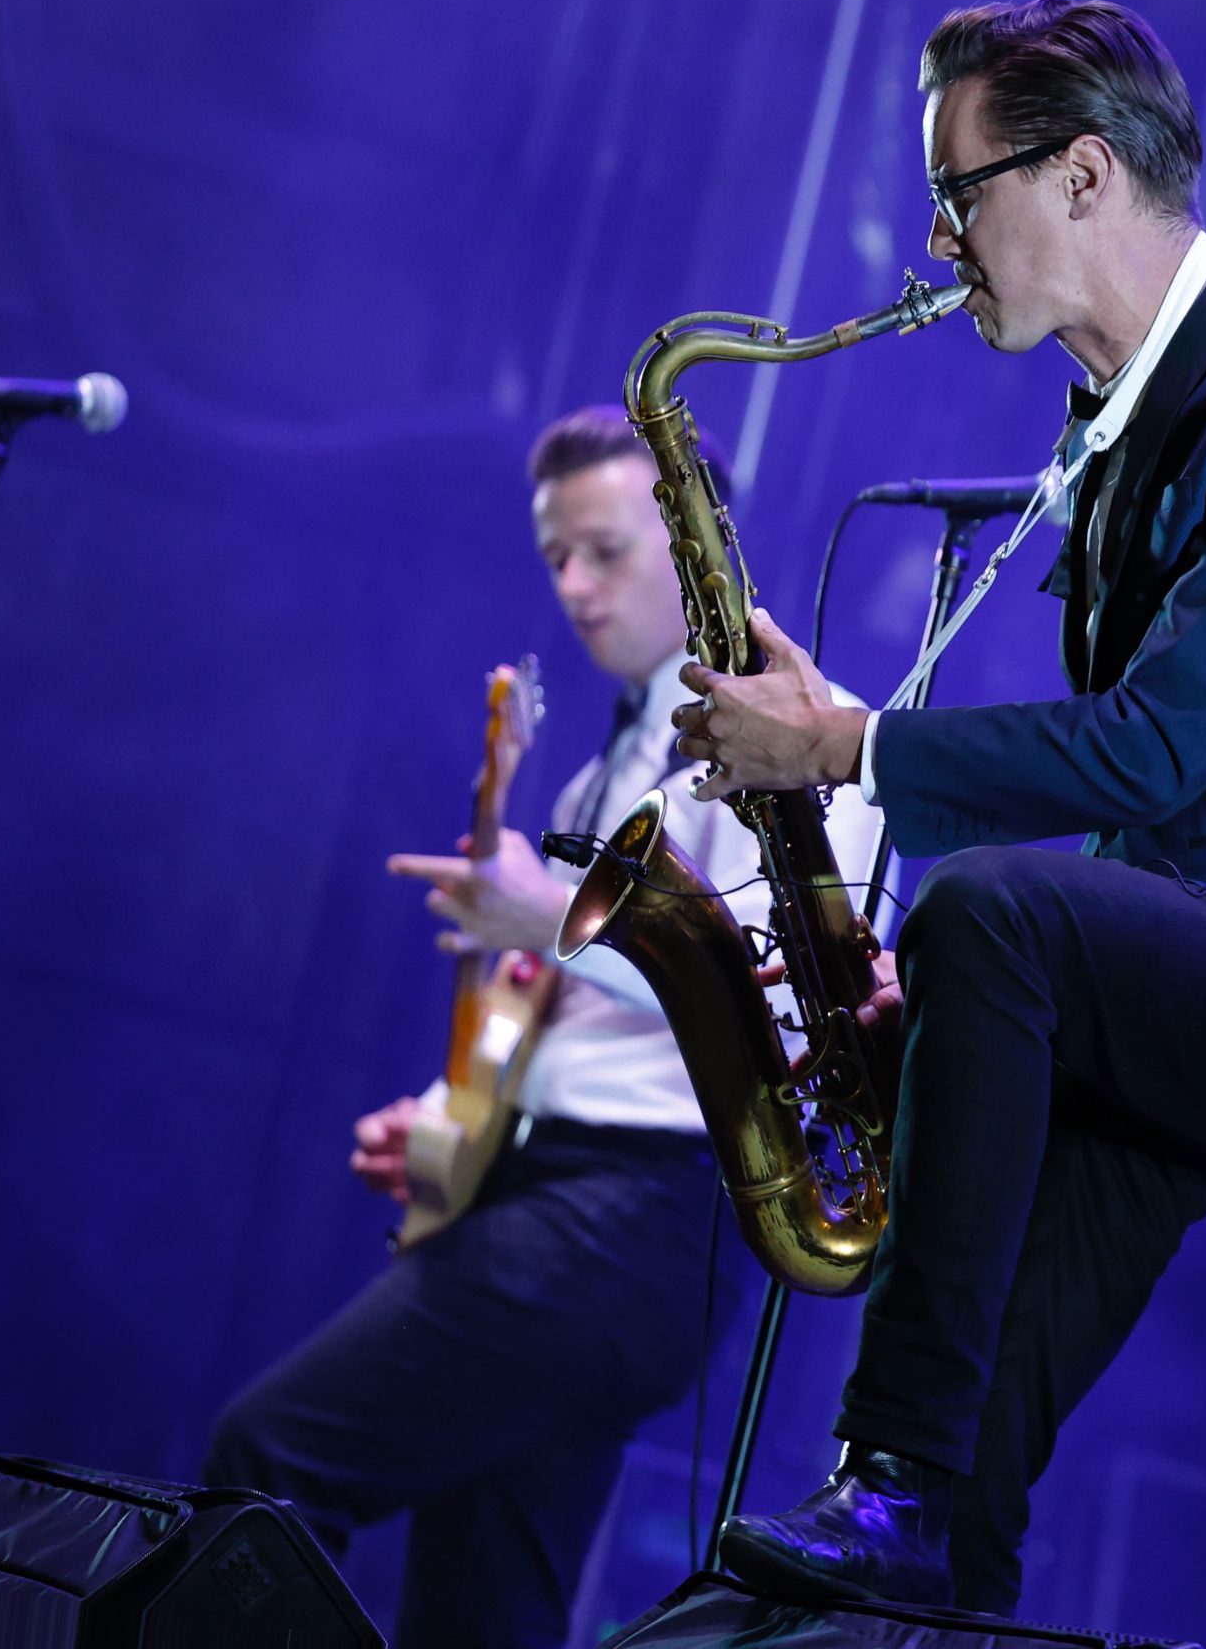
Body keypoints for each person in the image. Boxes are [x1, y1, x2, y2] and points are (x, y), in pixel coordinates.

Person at [666, 0, 1206, 1614]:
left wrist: (842, 750)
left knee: (987, 911)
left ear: (1085, 176)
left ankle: (888, 1475)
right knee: (981, 1462)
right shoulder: (1128, 413)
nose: (939, 239)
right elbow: (1155, 808)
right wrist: (1002, 1019)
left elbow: (1154, 755)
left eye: (959, 193)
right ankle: (916, 1516)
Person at [204, 408, 876, 1649]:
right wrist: (457, 1128)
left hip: (646, 1216)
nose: (573, 586)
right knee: (484, 1611)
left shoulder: (813, 739)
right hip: (557, 1199)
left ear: (693, 553)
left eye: (606, 552)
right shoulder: (592, 780)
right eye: (556, 558)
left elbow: (801, 1018)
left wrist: (550, 913)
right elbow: (565, 1038)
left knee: (269, 1457)